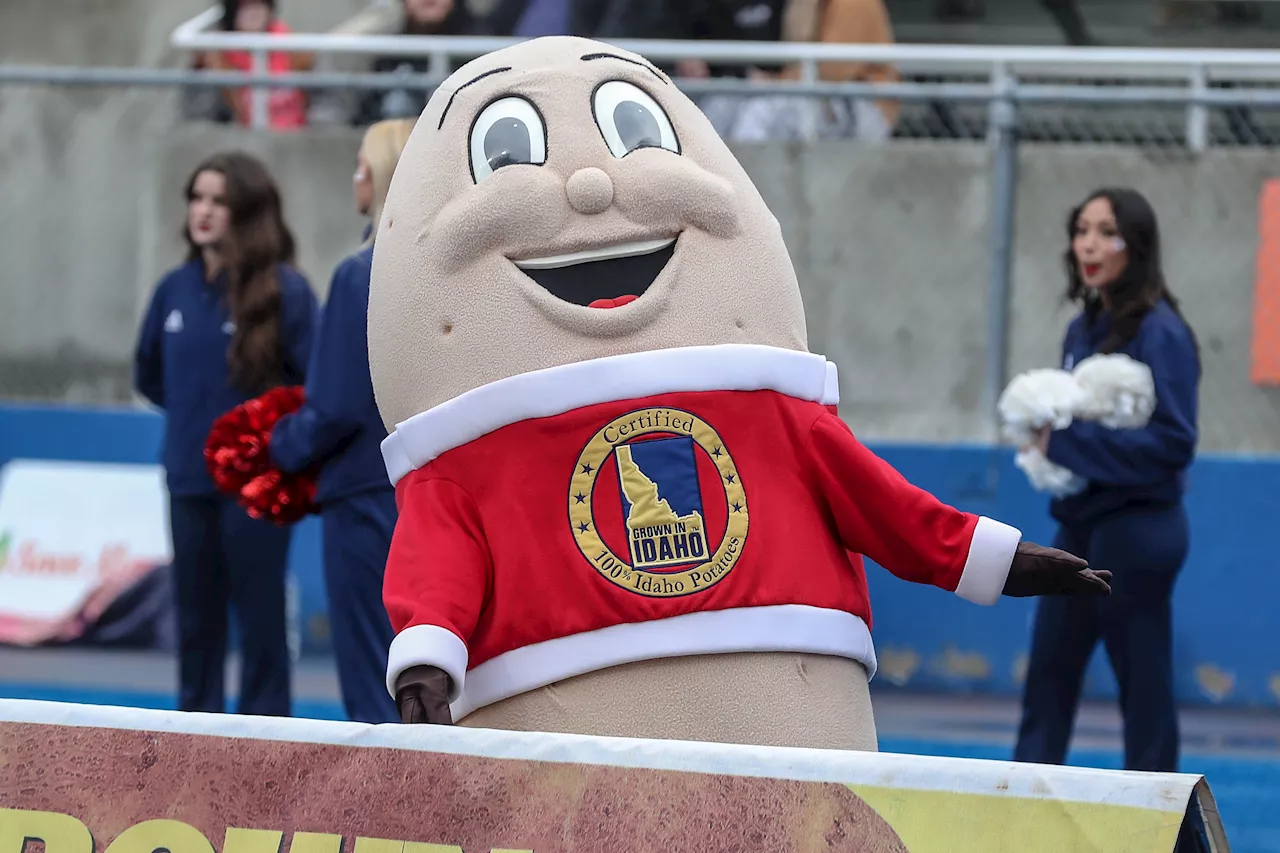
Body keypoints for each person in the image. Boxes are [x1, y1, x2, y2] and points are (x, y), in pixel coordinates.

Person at [1013, 187, 1200, 773]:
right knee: (1047, 675)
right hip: (1077, 527)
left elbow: (1173, 443)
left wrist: (1066, 443)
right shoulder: (1081, 327)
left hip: (1138, 534)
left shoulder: (1163, 333)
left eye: (1106, 232)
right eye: (1082, 229)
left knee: (1143, 685)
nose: (1089, 244)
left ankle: (1160, 820)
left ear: (1135, 247)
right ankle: (1019, 817)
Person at [134, 151, 319, 716]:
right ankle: (195, 739)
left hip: (256, 491)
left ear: (246, 210)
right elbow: (150, 376)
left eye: (218, 200)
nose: (203, 211)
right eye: (196, 198)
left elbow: (314, 388)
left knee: (260, 621)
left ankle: (268, 750)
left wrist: (262, 449)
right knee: (195, 624)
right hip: (188, 482)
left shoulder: (286, 293)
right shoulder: (173, 289)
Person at [267, 119, 417, 724]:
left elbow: (333, 408)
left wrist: (277, 446)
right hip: (430, 486)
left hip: (362, 491)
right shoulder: (445, 276)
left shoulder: (361, 273)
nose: (354, 177)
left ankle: (388, 813)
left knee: (372, 670)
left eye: (362, 165)